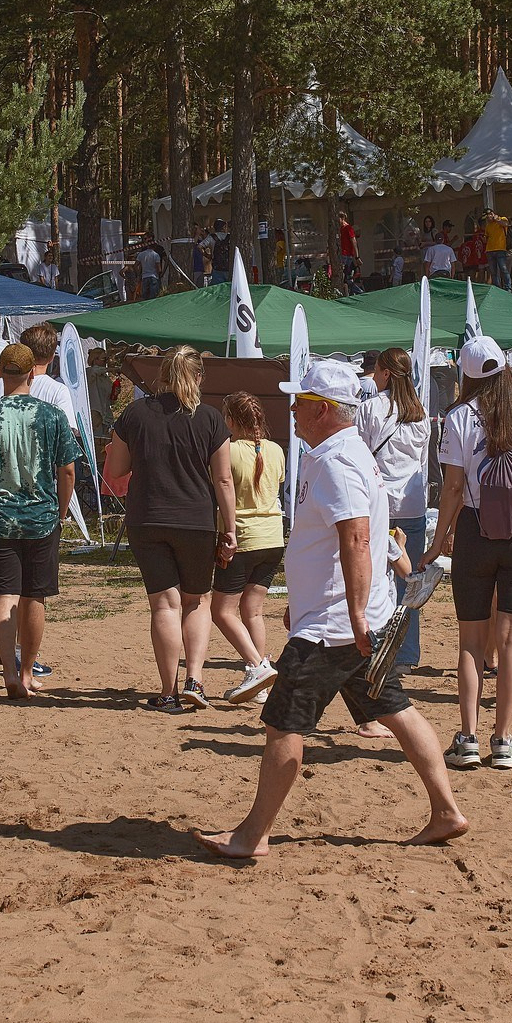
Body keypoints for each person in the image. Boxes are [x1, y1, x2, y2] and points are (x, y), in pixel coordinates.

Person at [200, 357, 467, 858]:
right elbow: (340, 539)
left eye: (300, 402)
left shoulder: (337, 460)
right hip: (343, 617)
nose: (292, 411)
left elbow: (358, 540)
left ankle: (249, 836)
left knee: (284, 724)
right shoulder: (344, 453)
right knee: (396, 709)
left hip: (336, 627)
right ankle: (446, 810)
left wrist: (356, 611)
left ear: (323, 409)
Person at [423, 336, 512, 771]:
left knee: (471, 641)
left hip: (474, 529)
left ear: (465, 374)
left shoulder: (459, 416)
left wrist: (437, 541)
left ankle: (467, 736)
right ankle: (503, 740)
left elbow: (450, 487)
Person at [104, 345, 236, 711]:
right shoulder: (210, 419)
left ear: (162, 375)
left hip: (147, 518)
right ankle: (194, 678)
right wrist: (231, 529)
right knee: (196, 601)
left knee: (164, 604)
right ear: (198, 378)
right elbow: (223, 480)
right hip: (195, 519)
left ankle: (168, 690)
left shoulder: (134, 414)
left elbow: (115, 470)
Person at [0, 342, 82, 698]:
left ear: (0, 373)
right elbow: (68, 471)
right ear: (32, 373)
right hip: (42, 517)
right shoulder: (52, 416)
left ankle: (9, 673)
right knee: (35, 596)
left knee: (4, 593)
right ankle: (28, 671)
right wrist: (59, 512)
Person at [207, 392, 287, 706]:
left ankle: (257, 666)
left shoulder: (228, 450)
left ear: (230, 420)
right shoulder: (276, 449)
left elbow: (221, 484)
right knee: (252, 611)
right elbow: (275, 482)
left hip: (243, 536)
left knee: (222, 611)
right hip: (272, 536)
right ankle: (260, 680)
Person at [357, 347, 432, 678]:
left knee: (375, 581)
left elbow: (360, 456)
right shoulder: (421, 414)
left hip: (380, 504)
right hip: (412, 504)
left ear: (386, 373)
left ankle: (375, 645)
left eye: (376, 369)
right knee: (409, 583)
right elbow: (423, 464)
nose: (372, 374)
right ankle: (406, 654)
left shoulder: (371, 408)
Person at [483, 205, 512, 289]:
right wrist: (484, 239)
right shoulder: (488, 226)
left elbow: (506, 224)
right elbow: (486, 237)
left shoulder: (502, 219)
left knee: (503, 269)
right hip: (490, 250)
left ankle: (508, 287)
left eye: (488, 217)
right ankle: (497, 287)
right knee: (493, 271)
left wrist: (497, 219)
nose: (488, 219)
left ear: (491, 214)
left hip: (500, 248)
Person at [335, 211, 360, 293]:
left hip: (347, 255)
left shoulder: (348, 228)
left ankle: (359, 292)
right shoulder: (340, 229)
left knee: (347, 277)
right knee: (345, 279)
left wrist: (357, 257)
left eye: (338, 219)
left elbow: (354, 242)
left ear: (342, 218)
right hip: (342, 254)